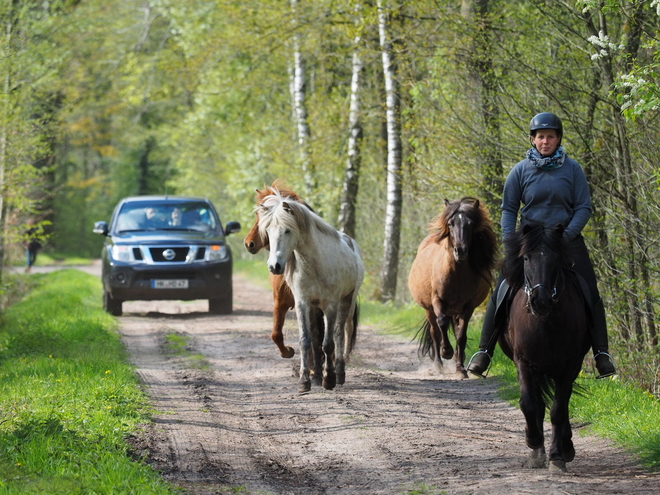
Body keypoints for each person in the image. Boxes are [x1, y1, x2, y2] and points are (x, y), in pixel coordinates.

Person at [466, 112, 616, 379]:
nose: (545, 141)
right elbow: (509, 208)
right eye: (540, 137)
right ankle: (484, 351)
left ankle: (601, 354)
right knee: (501, 288)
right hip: (530, 242)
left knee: (589, 290)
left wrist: (567, 236)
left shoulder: (573, 170)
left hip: (565, 240)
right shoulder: (520, 171)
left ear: (558, 139)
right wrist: (510, 240)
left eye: (550, 136)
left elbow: (583, 207)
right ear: (533, 140)